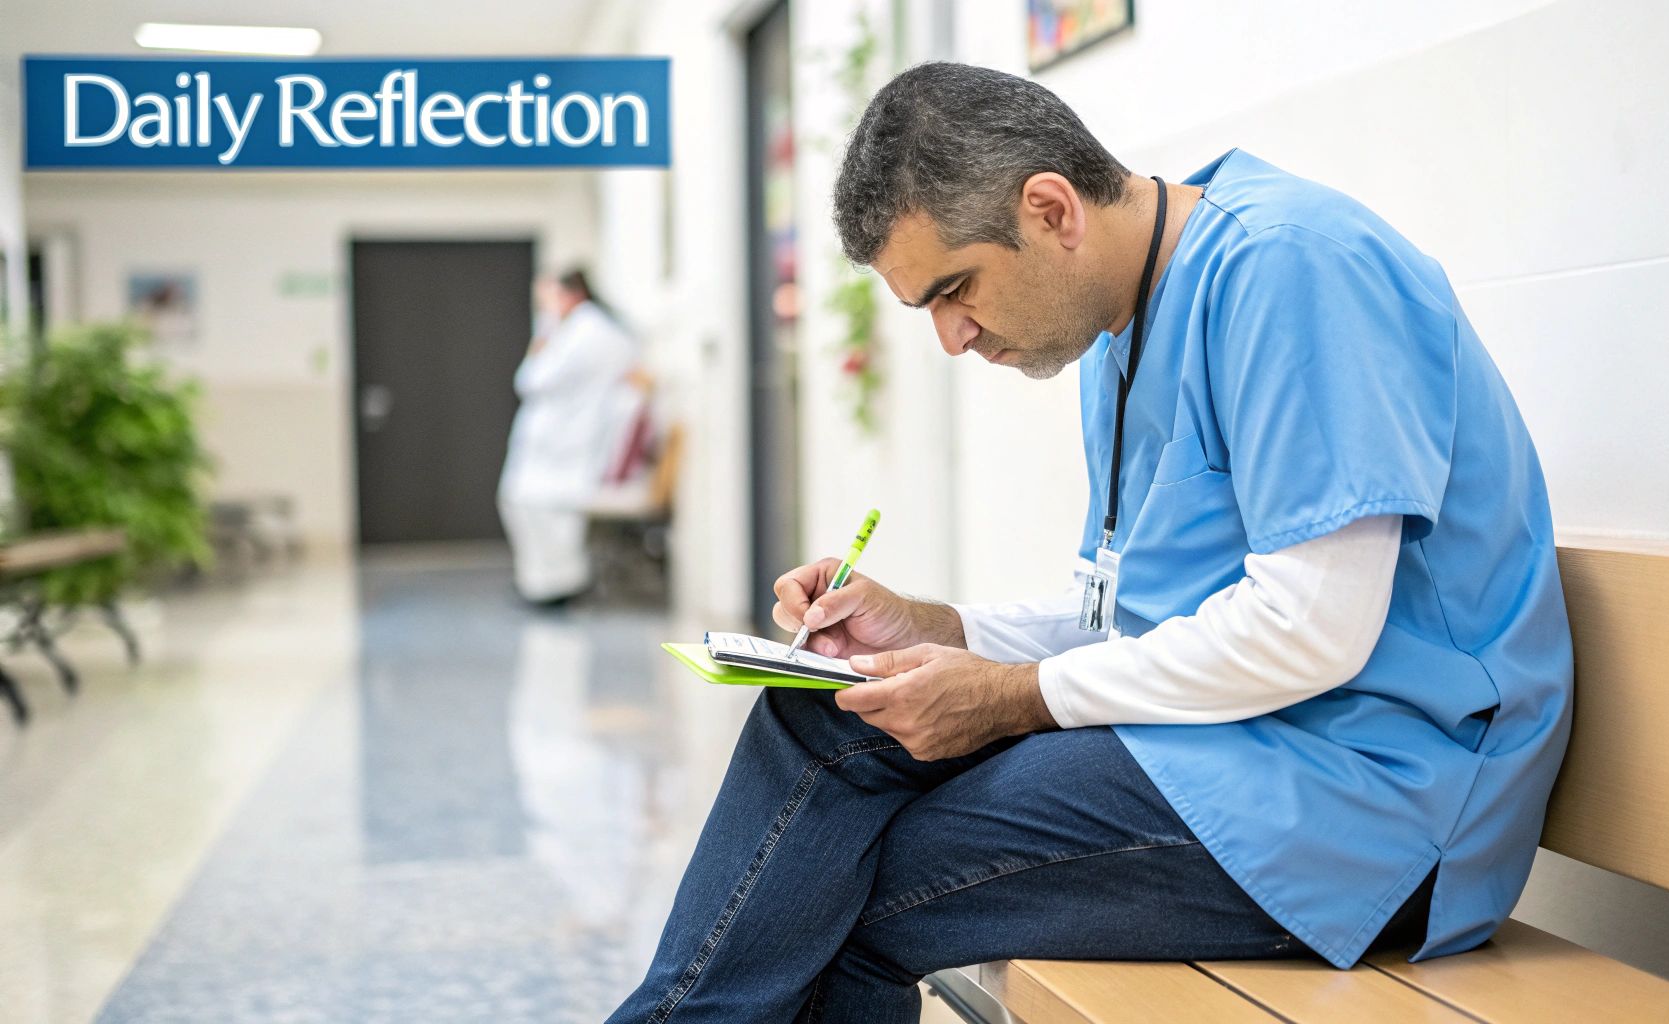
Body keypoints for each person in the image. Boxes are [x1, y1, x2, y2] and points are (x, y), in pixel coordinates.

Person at [608, 63, 1572, 1024]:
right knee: (821, 715)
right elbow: (1125, 618)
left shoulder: (1292, 267)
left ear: (1051, 209)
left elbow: (1312, 627)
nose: (952, 337)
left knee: (844, 881)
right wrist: (940, 629)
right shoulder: (1119, 333)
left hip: (1372, 804)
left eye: (956, 288)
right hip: (1234, 749)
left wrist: (1012, 697)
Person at [498, 268, 644, 606]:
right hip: (558, 443)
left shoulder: (586, 330)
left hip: (568, 444)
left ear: (572, 293)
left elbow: (532, 380)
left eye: (549, 298)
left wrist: (543, 339)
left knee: (545, 511)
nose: (545, 307)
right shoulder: (582, 329)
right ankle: (542, 584)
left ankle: (557, 587)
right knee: (524, 504)